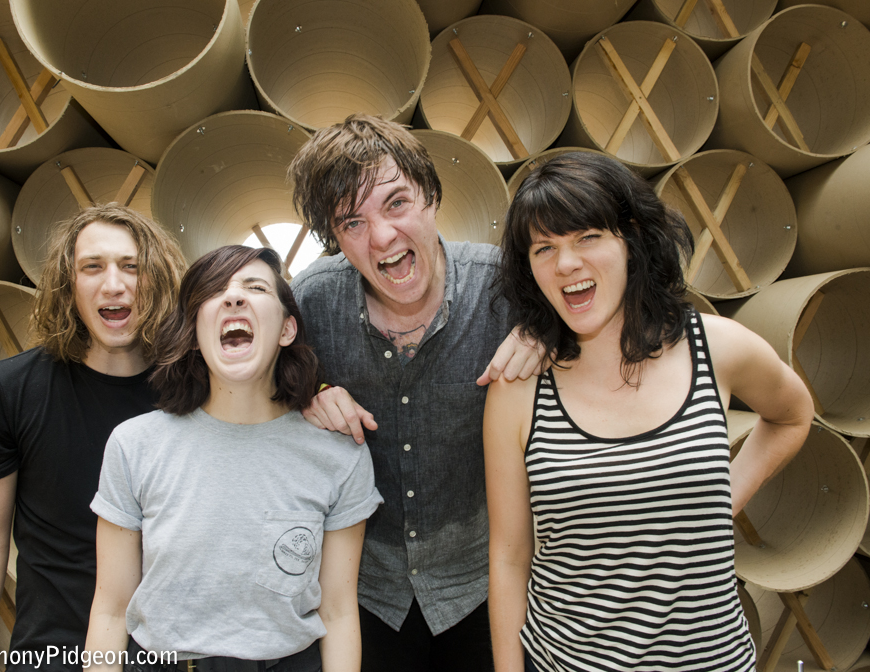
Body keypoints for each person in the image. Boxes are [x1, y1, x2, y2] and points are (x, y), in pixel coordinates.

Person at [485, 152, 813, 671]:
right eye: (544, 248)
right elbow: (508, 558)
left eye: (587, 237)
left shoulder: (717, 348)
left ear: (632, 240)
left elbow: (793, 415)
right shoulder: (519, 389)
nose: (565, 263)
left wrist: (724, 499)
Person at [287, 114, 544, 671]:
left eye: (396, 203)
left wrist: (548, 337)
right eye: (352, 221)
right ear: (335, 238)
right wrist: (304, 397)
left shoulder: (508, 288)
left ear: (430, 197)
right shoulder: (309, 302)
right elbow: (251, 393)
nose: (381, 236)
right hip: (366, 593)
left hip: (482, 581)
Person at [84, 245, 381, 672]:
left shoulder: (338, 453)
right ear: (192, 330)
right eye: (215, 290)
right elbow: (111, 610)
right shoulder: (134, 446)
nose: (234, 297)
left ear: (286, 329)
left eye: (255, 287)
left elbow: (337, 612)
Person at [0, 204, 186, 672]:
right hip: (53, 654)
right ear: (68, 285)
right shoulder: (10, 390)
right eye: (92, 267)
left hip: (174, 654)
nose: (113, 284)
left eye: (131, 266)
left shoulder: (197, 390)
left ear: (158, 280)